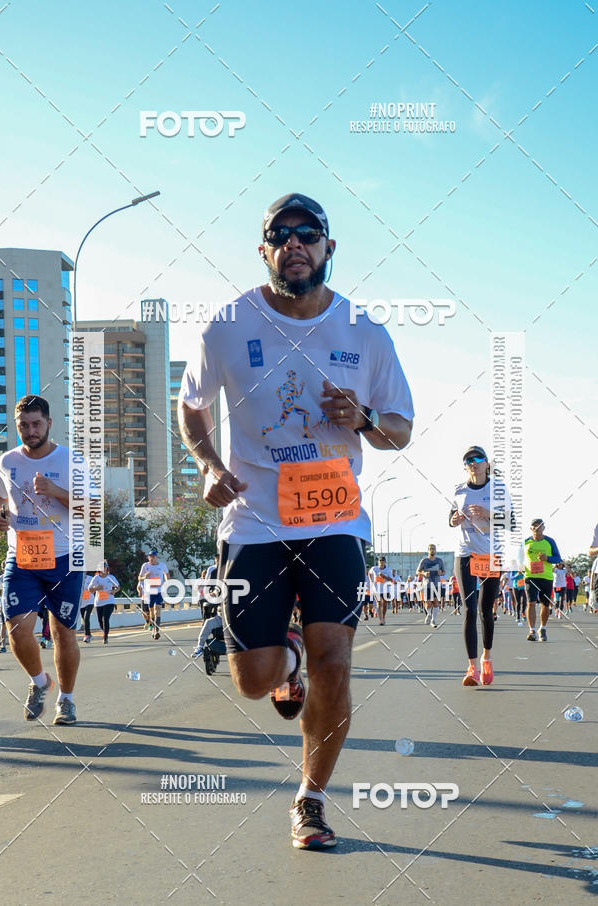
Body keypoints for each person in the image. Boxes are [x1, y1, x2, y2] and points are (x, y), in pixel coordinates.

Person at [178, 192, 414, 850]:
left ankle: (310, 799)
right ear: (264, 251)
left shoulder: (364, 332)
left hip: (334, 519)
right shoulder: (228, 324)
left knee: (335, 660)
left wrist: (364, 420)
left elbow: (401, 428)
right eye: (279, 235)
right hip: (254, 521)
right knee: (254, 681)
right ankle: (283, 660)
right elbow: (191, 405)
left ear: (329, 247)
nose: (294, 243)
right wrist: (207, 463)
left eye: (307, 233)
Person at [0, 395, 84, 725]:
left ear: (49, 423)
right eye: (23, 426)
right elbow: (0, 498)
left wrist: (55, 490)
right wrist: (1, 515)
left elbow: (92, 509)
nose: (30, 431)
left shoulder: (70, 460)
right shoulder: (6, 461)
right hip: (21, 556)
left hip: (64, 557)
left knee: (63, 633)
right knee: (17, 628)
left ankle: (66, 700)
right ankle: (39, 682)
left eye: (36, 424)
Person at [449, 445, 513, 686]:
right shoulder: (459, 489)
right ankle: (472, 667)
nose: (472, 463)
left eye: (477, 459)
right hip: (465, 553)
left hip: (491, 554)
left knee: (486, 610)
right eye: (468, 460)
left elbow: (511, 520)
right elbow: (451, 516)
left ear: (487, 463)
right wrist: (454, 519)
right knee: (469, 609)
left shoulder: (499, 488)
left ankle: (487, 658)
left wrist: (488, 513)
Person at [524, 518, 562, 642]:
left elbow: (558, 559)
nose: (537, 528)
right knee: (531, 603)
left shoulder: (550, 541)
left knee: (545, 605)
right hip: (530, 577)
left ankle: (543, 628)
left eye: (539, 526)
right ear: (531, 528)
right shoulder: (525, 542)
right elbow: (518, 557)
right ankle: (532, 631)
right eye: (534, 526)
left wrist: (547, 558)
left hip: (546, 577)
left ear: (543, 528)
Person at [137, 549, 169, 639]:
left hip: (159, 591)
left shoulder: (162, 565)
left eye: (153, 556)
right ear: (148, 557)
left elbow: (167, 574)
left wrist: (167, 581)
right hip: (148, 591)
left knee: (157, 610)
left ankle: (156, 630)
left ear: (157, 557)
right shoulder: (145, 566)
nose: (151, 558)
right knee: (150, 612)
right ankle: (151, 626)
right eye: (150, 556)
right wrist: (144, 577)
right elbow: (139, 578)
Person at [89, 561, 120, 644]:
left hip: (109, 601)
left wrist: (115, 591)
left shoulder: (111, 577)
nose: (104, 569)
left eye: (105, 567)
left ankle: (105, 636)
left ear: (107, 568)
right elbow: (90, 590)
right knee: (100, 620)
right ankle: (104, 632)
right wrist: (96, 588)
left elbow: (118, 587)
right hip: (99, 602)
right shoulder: (96, 578)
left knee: (105, 618)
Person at [417, 544, 445, 628]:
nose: (432, 550)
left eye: (433, 549)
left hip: (436, 584)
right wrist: (423, 573)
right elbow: (417, 572)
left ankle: (433, 620)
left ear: (435, 550)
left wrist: (441, 573)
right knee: (428, 604)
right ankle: (429, 614)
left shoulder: (439, 561)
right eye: (430, 549)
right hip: (427, 584)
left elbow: (444, 572)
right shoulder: (424, 561)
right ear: (428, 550)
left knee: (436, 603)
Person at [368, 556, 393, 625]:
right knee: (379, 604)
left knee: (385, 605)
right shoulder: (374, 568)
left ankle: (383, 617)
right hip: (376, 590)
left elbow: (391, 579)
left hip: (385, 589)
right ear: (378, 562)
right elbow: (369, 573)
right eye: (380, 561)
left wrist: (383, 576)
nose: (381, 562)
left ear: (385, 562)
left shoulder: (388, 569)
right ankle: (380, 620)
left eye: (382, 561)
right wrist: (371, 580)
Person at [80, 570, 95, 643]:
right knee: (84, 619)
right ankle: (89, 634)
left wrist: (92, 589)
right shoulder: (77, 579)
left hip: (90, 601)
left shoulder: (91, 579)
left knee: (86, 617)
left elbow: (94, 589)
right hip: (81, 602)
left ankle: (86, 635)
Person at [0, 559, 7, 652]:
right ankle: (3, 645)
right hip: (4, 603)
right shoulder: (1, 578)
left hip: (14, 602)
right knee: (3, 625)